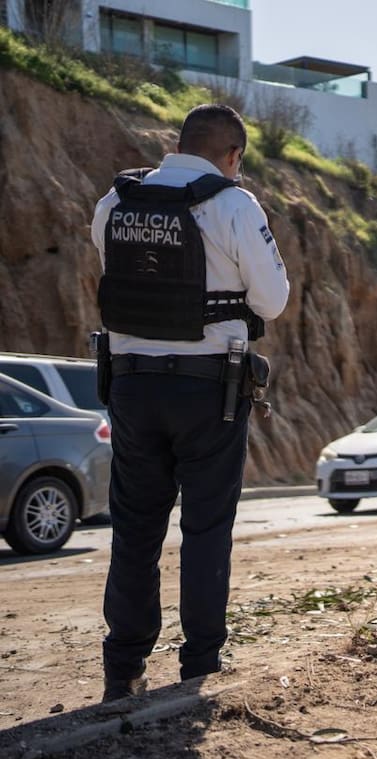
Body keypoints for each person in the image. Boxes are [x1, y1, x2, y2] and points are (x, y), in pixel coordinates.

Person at [90, 104, 290, 701]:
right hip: (209, 391)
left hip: (129, 385)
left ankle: (121, 669)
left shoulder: (114, 203)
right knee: (205, 530)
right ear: (233, 156)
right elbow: (273, 301)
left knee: (134, 530)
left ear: (179, 144)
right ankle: (199, 668)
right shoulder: (232, 203)